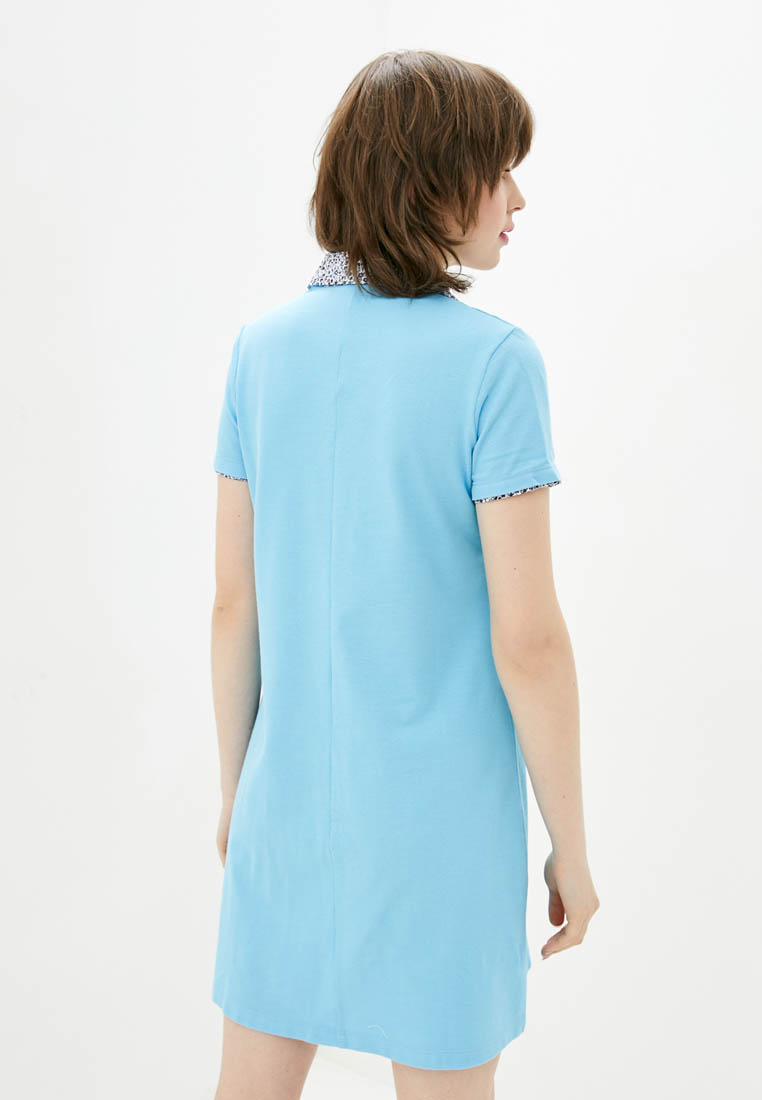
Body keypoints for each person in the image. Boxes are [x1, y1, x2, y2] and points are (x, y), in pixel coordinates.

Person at [210, 48, 600, 1100]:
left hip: (286, 808)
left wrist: (238, 795)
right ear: (431, 179)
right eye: (499, 170)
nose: (517, 198)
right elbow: (529, 639)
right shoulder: (495, 363)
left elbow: (234, 605)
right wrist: (570, 844)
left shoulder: (260, 351)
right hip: (440, 832)